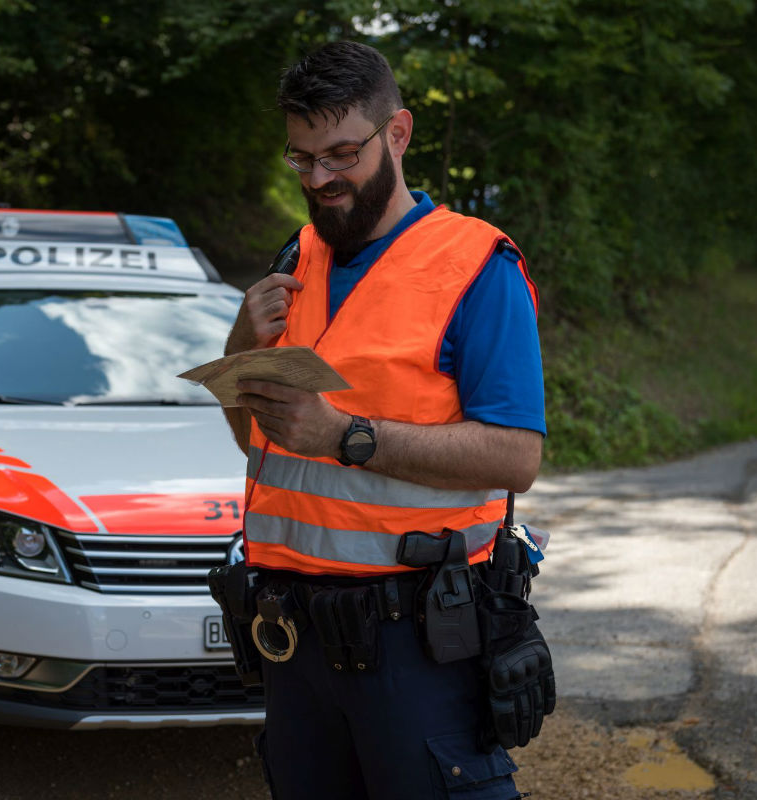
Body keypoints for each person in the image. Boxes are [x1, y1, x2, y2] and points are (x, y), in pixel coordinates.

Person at [222, 41, 546, 799]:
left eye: (341, 155)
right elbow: (256, 445)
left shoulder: (477, 266)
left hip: (418, 646)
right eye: (303, 160)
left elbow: (516, 458)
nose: (320, 179)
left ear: (397, 133)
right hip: (293, 641)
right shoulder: (295, 258)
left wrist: (345, 436)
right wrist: (240, 349)